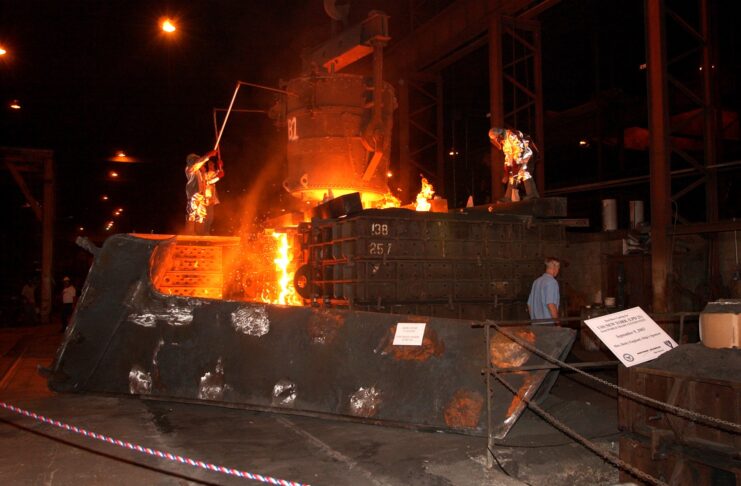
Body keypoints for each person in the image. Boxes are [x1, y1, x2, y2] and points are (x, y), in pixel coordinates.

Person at [488, 127, 539, 202]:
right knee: (512, 175)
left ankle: (532, 195)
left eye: (496, 138)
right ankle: (508, 198)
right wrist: (507, 172)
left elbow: (519, 150)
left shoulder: (512, 135)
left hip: (525, 156)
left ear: (500, 135)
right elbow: (508, 157)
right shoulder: (505, 142)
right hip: (518, 159)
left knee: (524, 173)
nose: (497, 141)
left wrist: (515, 166)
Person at [184, 150, 219, 235]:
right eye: (196, 160)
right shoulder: (190, 169)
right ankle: (189, 232)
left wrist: (218, 176)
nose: (202, 165)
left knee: (201, 214)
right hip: (194, 194)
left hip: (201, 195)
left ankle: (199, 233)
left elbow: (208, 182)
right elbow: (198, 163)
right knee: (192, 212)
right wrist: (209, 155)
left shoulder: (199, 173)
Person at [527, 257, 561, 323]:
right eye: (558, 268)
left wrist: (534, 320)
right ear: (555, 267)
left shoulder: (536, 282)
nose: (558, 271)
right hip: (548, 324)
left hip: (536, 324)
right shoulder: (552, 282)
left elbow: (529, 304)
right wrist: (557, 323)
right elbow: (550, 304)